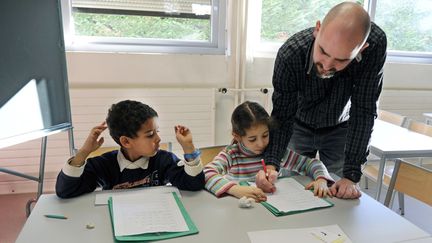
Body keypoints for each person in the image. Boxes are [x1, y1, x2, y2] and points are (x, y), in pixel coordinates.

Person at [259, 2, 387, 199]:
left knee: (339, 195)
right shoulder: (291, 54)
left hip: (341, 129)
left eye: (341, 60)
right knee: (291, 193)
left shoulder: (375, 47)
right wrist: (272, 162)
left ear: (362, 48)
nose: (327, 65)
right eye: (324, 52)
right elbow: (283, 114)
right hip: (298, 125)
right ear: (317, 30)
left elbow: (364, 108)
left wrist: (351, 175)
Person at [56, 100, 205, 198]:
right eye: (150, 134)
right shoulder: (103, 165)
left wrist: (188, 147)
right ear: (126, 141)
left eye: (157, 132)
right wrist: (84, 152)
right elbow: (65, 191)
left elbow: (195, 184)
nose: (158, 139)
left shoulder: (164, 160)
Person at [204, 101, 334, 202]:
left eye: (265, 135)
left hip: (273, 211)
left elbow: (311, 163)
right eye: (252, 139)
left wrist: (321, 179)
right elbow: (206, 173)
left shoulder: (275, 152)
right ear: (238, 136)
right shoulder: (232, 155)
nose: (261, 144)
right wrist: (236, 190)